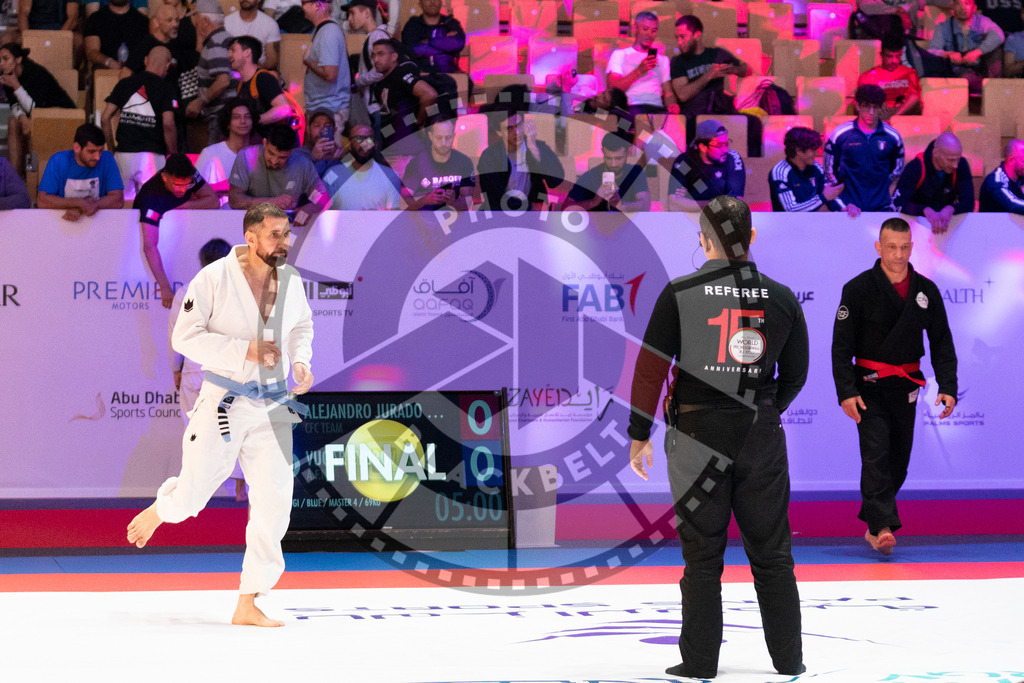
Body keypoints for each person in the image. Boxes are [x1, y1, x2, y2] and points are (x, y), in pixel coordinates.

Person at [628, 196, 808, 680]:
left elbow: (649, 371)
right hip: (759, 434)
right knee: (772, 553)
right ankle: (790, 662)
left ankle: (700, 662)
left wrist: (638, 434)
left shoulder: (679, 292)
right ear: (750, 238)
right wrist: (761, 412)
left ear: (704, 240)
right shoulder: (784, 297)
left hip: (696, 435)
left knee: (702, 556)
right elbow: (796, 375)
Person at [127, 202, 314, 628]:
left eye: (286, 234)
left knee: (275, 501)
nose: (284, 243)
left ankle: (249, 600)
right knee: (193, 495)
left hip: (273, 403)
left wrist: (300, 362)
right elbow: (185, 336)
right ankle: (162, 510)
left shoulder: (291, 281)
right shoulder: (213, 278)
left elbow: (302, 327)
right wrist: (243, 350)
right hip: (224, 400)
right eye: (275, 235)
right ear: (251, 236)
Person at [832, 217, 958, 556]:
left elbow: (942, 342)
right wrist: (846, 391)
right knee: (876, 455)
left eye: (904, 248)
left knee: (898, 461)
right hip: (869, 386)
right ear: (879, 247)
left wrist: (948, 385)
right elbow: (841, 346)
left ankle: (874, 520)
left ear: (912, 248)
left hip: (907, 387)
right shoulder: (857, 289)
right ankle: (883, 527)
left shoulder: (925, 291)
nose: (898, 254)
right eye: (891, 247)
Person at [166, 238, 249, 502]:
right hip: (229, 369)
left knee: (194, 428)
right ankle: (239, 487)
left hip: (194, 367)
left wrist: (175, 368)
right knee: (234, 425)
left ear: (202, 262)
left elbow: (175, 334)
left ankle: (196, 487)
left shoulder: (187, 291)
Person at [134, 153, 220, 308]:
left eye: (187, 185)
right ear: (165, 177)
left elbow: (213, 201)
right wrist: (165, 287)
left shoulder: (190, 173)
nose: (182, 191)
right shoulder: (151, 197)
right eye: (177, 185)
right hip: (146, 242)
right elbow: (149, 246)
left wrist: (181, 207)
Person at [102, 45, 178, 201]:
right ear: (167, 66)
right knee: (152, 206)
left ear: (145, 60)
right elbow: (168, 124)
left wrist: (111, 149)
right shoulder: (166, 88)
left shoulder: (124, 84)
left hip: (123, 155)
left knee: (122, 207)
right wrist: (173, 154)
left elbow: (104, 118)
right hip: (152, 157)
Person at [823, 84, 905, 218]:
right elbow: (829, 173)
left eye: (876, 107)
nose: (871, 112)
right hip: (848, 210)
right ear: (858, 106)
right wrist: (842, 205)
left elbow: (897, 175)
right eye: (866, 106)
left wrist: (888, 204)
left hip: (882, 209)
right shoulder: (839, 134)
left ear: (881, 107)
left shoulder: (893, 137)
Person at [228, 123, 330, 226]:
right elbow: (234, 200)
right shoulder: (247, 156)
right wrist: (271, 203)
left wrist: (309, 208)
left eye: (282, 157)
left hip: (287, 226)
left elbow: (323, 198)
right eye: (271, 153)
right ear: (264, 143)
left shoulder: (301, 164)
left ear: (291, 152)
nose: (274, 161)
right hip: (250, 223)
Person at [0, 43, 77, 177]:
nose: (1, 64)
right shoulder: (7, 75)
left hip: (59, 115)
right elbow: (14, 104)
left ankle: (33, 177)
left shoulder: (36, 73)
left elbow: (36, 109)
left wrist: (16, 86)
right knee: (13, 121)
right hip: (36, 116)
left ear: (18, 60)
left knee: (28, 124)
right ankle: (14, 178)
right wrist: (23, 118)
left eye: (5, 59)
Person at [477, 103, 564, 212]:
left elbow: (556, 180)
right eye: (509, 128)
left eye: (519, 125)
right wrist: (529, 207)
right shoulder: (489, 156)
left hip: (532, 213)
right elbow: (495, 197)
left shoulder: (536, 147)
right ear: (499, 132)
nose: (516, 132)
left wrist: (534, 150)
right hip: (501, 213)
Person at [670, 15, 748, 126]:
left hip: (721, 112)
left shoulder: (717, 54)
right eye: (677, 37)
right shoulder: (678, 62)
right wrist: (708, 76)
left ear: (697, 35)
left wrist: (734, 69)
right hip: (693, 117)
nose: (679, 42)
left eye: (683, 37)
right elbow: (683, 95)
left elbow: (745, 69)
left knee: (753, 123)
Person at [37, 124, 125, 222]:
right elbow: (42, 200)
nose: (97, 157)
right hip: (63, 222)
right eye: (91, 151)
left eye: (100, 151)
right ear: (77, 148)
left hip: (98, 223)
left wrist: (91, 206)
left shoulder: (107, 158)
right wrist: (78, 203)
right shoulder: (58, 160)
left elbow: (118, 200)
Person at [893, 132, 974, 232]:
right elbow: (898, 203)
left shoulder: (961, 165)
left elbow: (969, 202)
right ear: (935, 153)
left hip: (948, 229)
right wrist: (924, 210)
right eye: (951, 160)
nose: (955, 165)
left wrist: (951, 209)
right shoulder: (915, 167)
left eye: (957, 159)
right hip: (917, 229)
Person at [369, 38, 438, 154]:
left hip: (406, 147)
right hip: (390, 144)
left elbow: (429, 94)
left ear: (394, 57)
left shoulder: (401, 75)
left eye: (381, 54)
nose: (376, 59)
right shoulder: (381, 83)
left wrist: (419, 120)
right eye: (373, 55)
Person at [606, 11, 678, 116]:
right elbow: (613, 89)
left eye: (654, 30)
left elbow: (668, 93)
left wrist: (673, 105)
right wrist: (638, 71)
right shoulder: (620, 55)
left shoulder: (663, 60)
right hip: (630, 108)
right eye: (645, 29)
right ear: (635, 28)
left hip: (655, 110)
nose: (649, 34)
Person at [667, 119, 745, 212]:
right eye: (719, 145)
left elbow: (734, 204)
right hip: (688, 220)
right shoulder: (684, 161)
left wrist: (691, 201)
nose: (725, 150)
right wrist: (718, 203)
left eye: (726, 144)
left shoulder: (733, 159)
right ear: (703, 147)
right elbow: (674, 205)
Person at [561, 132, 651, 212]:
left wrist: (620, 205)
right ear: (603, 152)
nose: (613, 164)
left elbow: (645, 205)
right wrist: (594, 202)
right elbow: (565, 208)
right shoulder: (590, 176)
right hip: (597, 228)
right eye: (609, 158)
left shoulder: (635, 172)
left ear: (628, 153)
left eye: (619, 158)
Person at [301, 0, 350, 145]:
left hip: (328, 112)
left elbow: (330, 74)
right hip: (322, 108)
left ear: (317, 5)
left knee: (327, 159)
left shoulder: (328, 32)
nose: (301, 6)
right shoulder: (322, 30)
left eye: (304, 2)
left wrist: (307, 60)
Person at [187, 0, 235, 148]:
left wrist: (200, 101)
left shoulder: (216, 43)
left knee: (215, 163)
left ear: (205, 21)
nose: (194, 24)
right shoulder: (226, 38)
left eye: (196, 19)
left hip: (219, 116)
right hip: (226, 114)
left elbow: (223, 80)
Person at [322, 122, 402, 209]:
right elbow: (320, 209)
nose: (364, 144)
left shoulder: (390, 175)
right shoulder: (333, 174)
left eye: (369, 139)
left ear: (375, 144)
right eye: (359, 139)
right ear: (349, 144)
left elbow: (394, 214)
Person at [928, 0, 1004, 92]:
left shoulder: (982, 21)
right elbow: (932, 51)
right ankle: (988, 89)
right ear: (952, 7)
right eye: (958, 4)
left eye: (967, 3)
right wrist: (948, 54)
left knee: (996, 51)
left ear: (974, 7)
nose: (962, 8)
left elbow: (999, 35)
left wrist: (978, 52)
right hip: (958, 68)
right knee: (966, 78)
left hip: (982, 66)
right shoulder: (943, 27)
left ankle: (993, 86)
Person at [401, 117, 474, 211]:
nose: (443, 143)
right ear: (430, 136)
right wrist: (425, 200)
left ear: (454, 136)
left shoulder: (464, 162)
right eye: (439, 138)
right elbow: (403, 204)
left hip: (453, 219)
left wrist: (453, 202)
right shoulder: (417, 163)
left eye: (448, 137)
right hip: (423, 220)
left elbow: (467, 204)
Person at [229, 35, 295, 139]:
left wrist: (254, 120)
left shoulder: (263, 78)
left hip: (269, 147)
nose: (229, 55)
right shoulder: (241, 85)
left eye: (233, 50)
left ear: (247, 52)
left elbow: (285, 109)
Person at [196, 100, 259, 207]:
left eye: (247, 117)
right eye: (236, 117)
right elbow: (195, 190)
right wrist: (220, 187)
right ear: (228, 123)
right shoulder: (210, 153)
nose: (243, 121)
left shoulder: (260, 154)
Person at [769, 126, 845, 212]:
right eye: (813, 150)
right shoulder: (780, 172)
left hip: (813, 222)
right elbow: (790, 209)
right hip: (788, 224)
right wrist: (822, 198)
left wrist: (843, 209)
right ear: (799, 150)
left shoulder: (816, 168)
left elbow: (830, 194)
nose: (816, 153)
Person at [344, 0, 389, 141]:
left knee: (376, 154)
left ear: (367, 13)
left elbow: (382, 70)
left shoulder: (378, 36)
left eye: (352, 13)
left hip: (377, 108)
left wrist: (359, 80)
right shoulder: (374, 36)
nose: (349, 19)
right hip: (374, 108)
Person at [857, 32, 922, 118]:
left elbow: (916, 100)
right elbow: (858, 106)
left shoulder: (910, 73)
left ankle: (894, 119)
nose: (894, 61)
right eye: (890, 56)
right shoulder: (868, 76)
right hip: (880, 112)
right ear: (882, 55)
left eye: (897, 56)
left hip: (904, 113)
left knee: (915, 97)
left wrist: (899, 110)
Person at [400, 0, 465, 74]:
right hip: (420, 75)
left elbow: (458, 44)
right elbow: (413, 50)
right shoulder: (413, 25)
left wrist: (429, 42)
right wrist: (444, 44)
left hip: (450, 73)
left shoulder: (451, 23)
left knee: (466, 81)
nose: (432, 2)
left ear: (441, 2)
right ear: (420, 3)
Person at [83, 0, 149, 71]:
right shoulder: (95, 19)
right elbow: (91, 52)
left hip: (135, 74)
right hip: (106, 72)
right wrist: (108, 62)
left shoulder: (143, 22)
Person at [224, 0, 281, 70]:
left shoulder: (270, 24)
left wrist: (254, 70)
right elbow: (222, 56)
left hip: (259, 70)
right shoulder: (227, 22)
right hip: (233, 71)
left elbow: (271, 61)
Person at [979, 138, 1024, 212]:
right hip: (993, 223)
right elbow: (1011, 204)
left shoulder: (1021, 178)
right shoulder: (995, 179)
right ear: (1011, 160)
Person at [300, 110, 346, 176]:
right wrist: (315, 159)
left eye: (327, 125)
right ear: (308, 129)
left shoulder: (339, 152)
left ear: (334, 130)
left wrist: (345, 158)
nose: (322, 130)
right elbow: (303, 183)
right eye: (317, 125)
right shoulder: (298, 154)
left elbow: (359, 176)